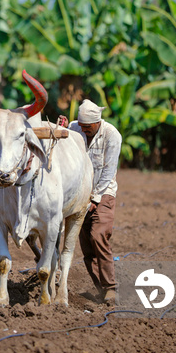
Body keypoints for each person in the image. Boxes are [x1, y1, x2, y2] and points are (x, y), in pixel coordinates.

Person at [58, 99, 122, 304]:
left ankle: (110, 287)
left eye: (88, 127)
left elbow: (108, 171)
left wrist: (94, 198)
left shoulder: (112, 136)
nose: (84, 130)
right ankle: (100, 288)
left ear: (98, 122)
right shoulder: (75, 127)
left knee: (98, 235)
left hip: (103, 193)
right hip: (79, 194)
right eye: (82, 126)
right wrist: (61, 130)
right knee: (85, 244)